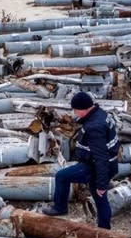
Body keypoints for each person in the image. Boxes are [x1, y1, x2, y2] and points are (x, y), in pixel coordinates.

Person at [41, 91, 120, 229]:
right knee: (99, 198)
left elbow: (101, 157)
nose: (74, 113)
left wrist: (102, 183)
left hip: (95, 167)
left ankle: (103, 230)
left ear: (84, 108)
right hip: (100, 165)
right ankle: (104, 228)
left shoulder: (94, 127)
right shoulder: (100, 114)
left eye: (76, 110)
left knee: (63, 177)